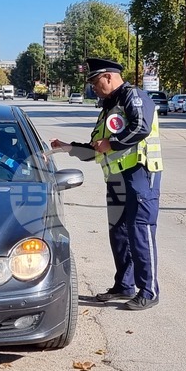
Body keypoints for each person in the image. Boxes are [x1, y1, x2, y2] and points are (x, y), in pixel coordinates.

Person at [51, 58, 163, 310]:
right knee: (120, 234)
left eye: (95, 81)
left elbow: (140, 128)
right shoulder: (108, 107)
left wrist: (111, 144)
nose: (93, 87)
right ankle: (124, 285)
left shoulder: (133, 97)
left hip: (140, 174)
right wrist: (69, 148)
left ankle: (149, 290)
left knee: (140, 232)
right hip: (117, 179)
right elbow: (96, 150)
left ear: (109, 77)